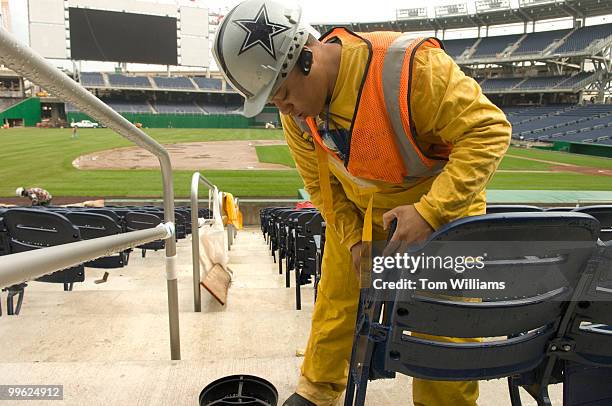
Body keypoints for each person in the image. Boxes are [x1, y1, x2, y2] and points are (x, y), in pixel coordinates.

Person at [213, 1, 511, 405]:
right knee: (336, 301)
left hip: (443, 213)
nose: (284, 110)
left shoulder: (411, 68)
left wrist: (430, 211)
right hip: (359, 212)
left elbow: (488, 130)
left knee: (443, 326)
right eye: (273, 102)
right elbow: (322, 188)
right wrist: (354, 238)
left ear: (306, 58)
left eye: (282, 95)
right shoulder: (296, 113)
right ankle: (317, 390)